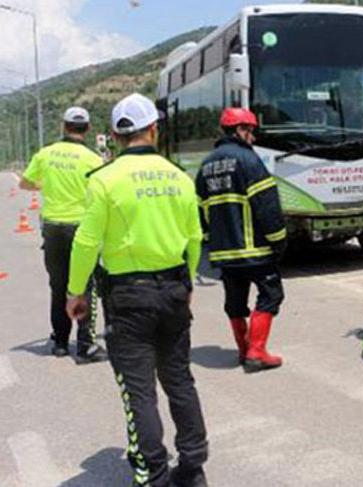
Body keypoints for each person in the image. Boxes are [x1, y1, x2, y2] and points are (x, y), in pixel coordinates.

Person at [65, 93, 208, 487]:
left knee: (138, 389)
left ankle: (153, 475)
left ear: (114, 135)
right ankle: (193, 467)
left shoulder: (104, 180)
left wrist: (75, 293)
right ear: (154, 130)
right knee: (179, 378)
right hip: (175, 289)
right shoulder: (179, 177)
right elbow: (195, 239)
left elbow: (85, 243)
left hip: (128, 297)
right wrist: (189, 281)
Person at [195, 107, 286, 374]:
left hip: (224, 253)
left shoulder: (206, 166)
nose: (253, 138)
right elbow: (267, 206)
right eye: (251, 131)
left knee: (235, 301)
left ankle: (244, 349)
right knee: (271, 294)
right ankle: (256, 351)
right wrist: (279, 241)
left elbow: (199, 211)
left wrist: (211, 241)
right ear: (240, 130)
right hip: (254, 249)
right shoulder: (248, 161)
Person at [19, 107, 107, 362]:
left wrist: (46, 185)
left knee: (58, 287)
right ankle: (85, 344)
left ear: (63, 126)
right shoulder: (92, 160)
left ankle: (59, 342)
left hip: (53, 229)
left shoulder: (46, 154)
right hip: (81, 229)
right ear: (88, 128)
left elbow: (24, 183)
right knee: (83, 285)